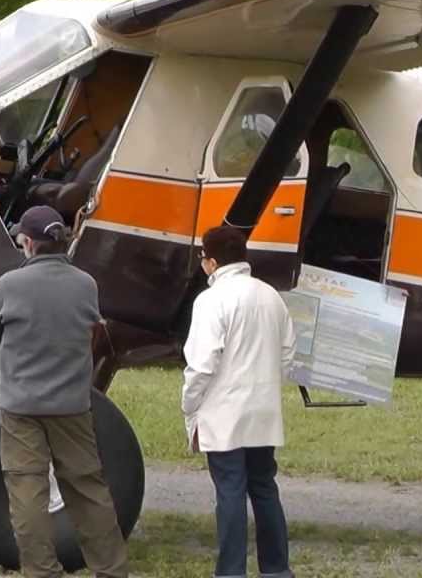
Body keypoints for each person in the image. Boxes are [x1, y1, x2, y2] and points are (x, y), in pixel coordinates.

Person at [0, 205, 129, 578]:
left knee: (27, 490)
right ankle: (110, 570)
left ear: (28, 243)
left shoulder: (10, 284)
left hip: (20, 407)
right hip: (72, 406)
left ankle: (42, 571)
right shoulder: (85, 284)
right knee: (88, 489)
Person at [182, 225, 297, 578]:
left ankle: (231, 572)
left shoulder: (211, 299)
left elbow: (202, 364)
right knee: (264, 488)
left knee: (230, 492)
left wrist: (189, 405)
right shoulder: (270, 295)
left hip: (223, 414)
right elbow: (288, 354)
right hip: (263, 412)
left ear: (212, 262)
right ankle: (276, 569)